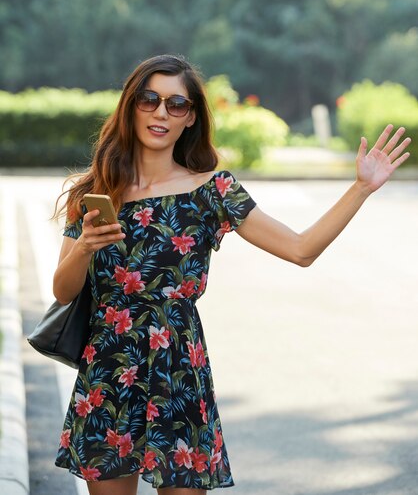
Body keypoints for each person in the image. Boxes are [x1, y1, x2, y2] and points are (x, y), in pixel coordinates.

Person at [52, 54, 411, 495]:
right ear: (131, 107)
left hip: (177, 368)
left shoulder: (213, 191)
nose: (161, 112)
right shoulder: (95, 189)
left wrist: (360, 189)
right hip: (108, 367)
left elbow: (301, 250)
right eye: (149, 99)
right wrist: (86, 247)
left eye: (176, 104)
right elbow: (63, 290)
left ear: (191, 119)